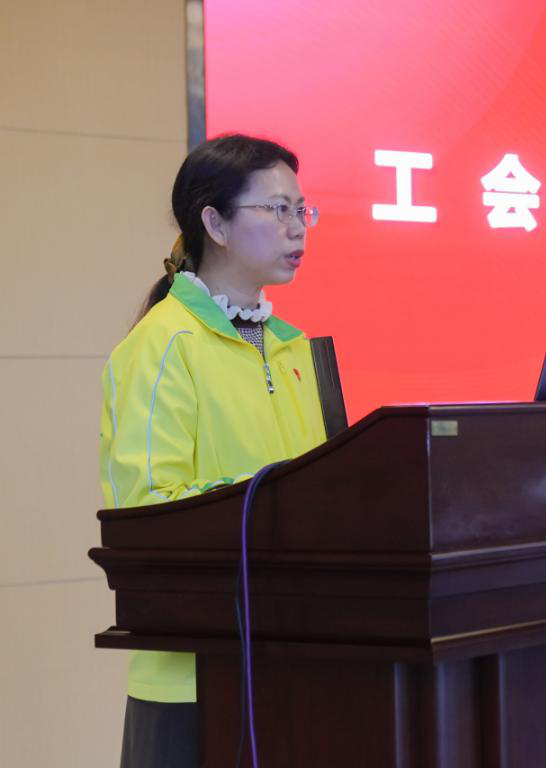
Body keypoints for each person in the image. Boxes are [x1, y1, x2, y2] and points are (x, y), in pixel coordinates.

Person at [99, 134, 327, 767]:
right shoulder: (163, 345)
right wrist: (275, 499)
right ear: (215, 224)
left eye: (302, 210)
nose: (297, 227)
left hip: (297, 660)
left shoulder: (295, 348)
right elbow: (147, 511)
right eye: (276, 209)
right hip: (194, 678)